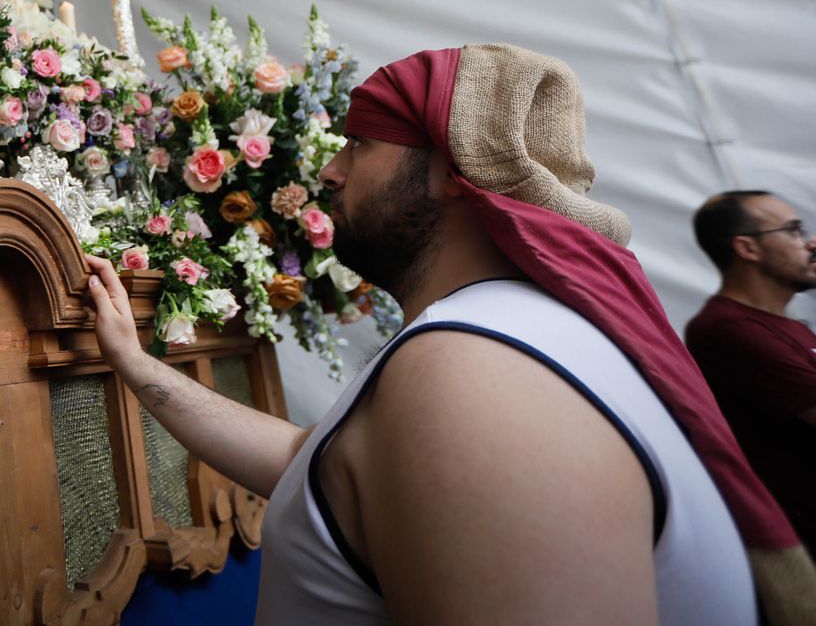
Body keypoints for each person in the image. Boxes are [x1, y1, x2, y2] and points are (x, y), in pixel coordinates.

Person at [84, 44, 814, 625]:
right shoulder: (491, 338)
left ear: (451, 170)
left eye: (359, 145)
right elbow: (315, 463)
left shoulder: (475, 379)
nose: (330, 173)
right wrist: (137, 363)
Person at [686, 190, 816, 549]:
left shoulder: (786, 325)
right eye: (794, 231)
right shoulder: (728, 330)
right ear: (748, 249)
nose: (810, 243)